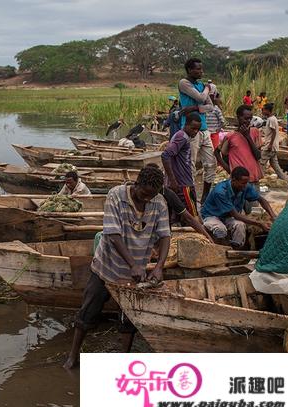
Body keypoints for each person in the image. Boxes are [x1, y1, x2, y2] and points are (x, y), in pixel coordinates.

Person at [63, 166, 171, 369]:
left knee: (129, 318)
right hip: (107, 268)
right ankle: (73, 356)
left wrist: (159, 267)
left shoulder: (159, 202)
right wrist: (133, 264)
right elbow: (112, 234)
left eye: (152, 196)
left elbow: (165, 235)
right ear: (136, 184)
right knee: (87, 313)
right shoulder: (116, 195)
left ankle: (125, 361)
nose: (147, 199)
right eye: (144, 194)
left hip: (135, 274)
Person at [201, 167, 275, 249]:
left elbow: (261, 200)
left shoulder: (245, 186)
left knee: (240, 225)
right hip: (212, 216)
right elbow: (236, 215)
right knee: (220, 229)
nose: (245, 186)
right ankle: (220, 249)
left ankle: (236, 249)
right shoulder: (221, 191)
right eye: (243, 183)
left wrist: (273, 216)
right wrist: (260, 224)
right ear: (233, 180)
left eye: (246, 183)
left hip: (228, 216)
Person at [178, 58, 216, 203]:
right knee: (190, 164)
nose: (201, 71)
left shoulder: (199, 84)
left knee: (211, 163)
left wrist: (193, 108)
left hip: (204, 129)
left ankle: (205, 196)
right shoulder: (184, 83)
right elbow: (201, 98)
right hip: (190, 130)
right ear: (189, 70)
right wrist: (208, 88)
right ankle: (191, 197)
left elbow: (211, 106)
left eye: (201, 69)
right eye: (198, 69)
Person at [161, 112, 201, 217]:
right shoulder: (182, 137)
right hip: (182, 184)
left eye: (198, 129)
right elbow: (165, 155)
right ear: (186, 125)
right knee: (192, 216)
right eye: (193, 128)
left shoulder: (182, 136)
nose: (196, 132)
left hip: (182, 182)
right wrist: (173, 180)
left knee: (179, 215)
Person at [216, 105, 263, 184]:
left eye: (250, 119)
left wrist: (248, 137)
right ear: (238, 117)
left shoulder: (255, 132)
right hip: (238, 181)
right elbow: (218, 153)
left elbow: (258, 156)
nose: (248, 121)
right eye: (245, 118)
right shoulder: (231, 136)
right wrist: (229, 170)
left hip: (253, 177)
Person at [259, 103, 287, 180]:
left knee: (261, 163)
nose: (262, 111)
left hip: (270, 146)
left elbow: (274, 132)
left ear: (268, 110)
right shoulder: (272, 119)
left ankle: (258, 178)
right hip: (273, 146)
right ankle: (284, 178)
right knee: (274, 164)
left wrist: (270, 145)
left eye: (263, 110)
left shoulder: (271, 119)